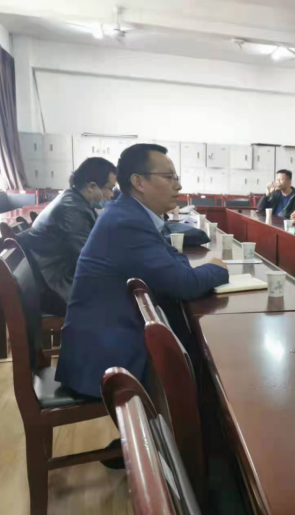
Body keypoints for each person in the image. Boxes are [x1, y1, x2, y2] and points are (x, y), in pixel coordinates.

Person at [55, 144, 230, 398]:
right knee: (208, 359)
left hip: (111, 337)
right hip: (107, 356)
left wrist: (184, 271)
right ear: (139, 182)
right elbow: (184, 283)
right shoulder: (127, 222)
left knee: (197, 347)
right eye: (169, 177)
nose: (178, 185)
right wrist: (217, 269)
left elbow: (175, 261)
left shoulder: (130, 213)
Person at [17, 158, 117, 316]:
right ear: (92, 186)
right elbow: (90, 258)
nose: (111, 195)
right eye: (110, 188)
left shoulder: (75, 200)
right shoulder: (72, 209)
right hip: (57, 288)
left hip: (56, 278)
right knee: (123, 299)